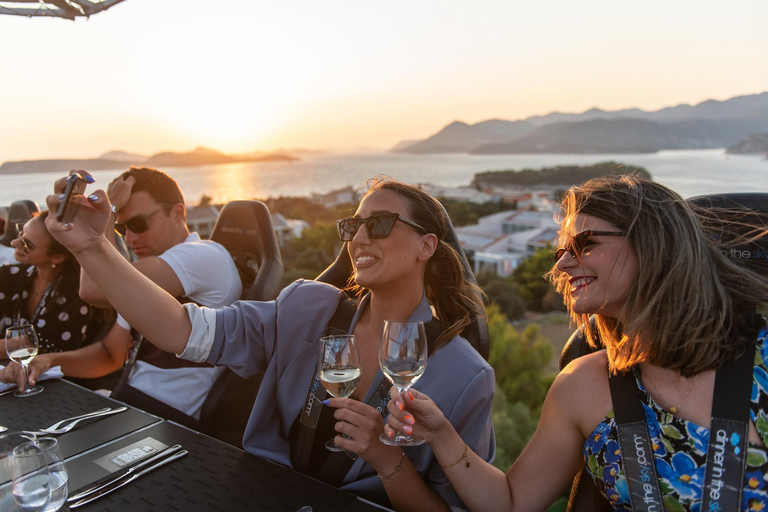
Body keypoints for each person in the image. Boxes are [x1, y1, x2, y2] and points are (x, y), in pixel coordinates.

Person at [43, 174, 495, 510]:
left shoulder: (465, 377)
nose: (358, 237)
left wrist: (385, 459)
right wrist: (92, 247)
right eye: (352, 226)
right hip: (262, 494)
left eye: (378, 224)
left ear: (426, 246)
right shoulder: (305, 309)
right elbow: (183, 329)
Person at [385, 176, 768, 511]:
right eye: (561, 251)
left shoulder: (761, 357)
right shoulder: (582, 385)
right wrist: (440, 435)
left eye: (584, 244)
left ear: (654, 244)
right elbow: (512, 502)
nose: (563, 264)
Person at [2, 167, 242, 421]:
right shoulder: (145, 280)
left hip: (168, 418)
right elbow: (109, 354)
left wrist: (106, 213)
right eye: (121, 227)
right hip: (130, 403)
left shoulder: (204, 255)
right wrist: (46, 361)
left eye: (139, 224)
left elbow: (93, 291)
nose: (130, 237)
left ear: (177, 213)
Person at [0, 210, 111, 356]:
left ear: (57, 257)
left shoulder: (76, 295)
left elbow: (44, 347)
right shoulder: (11, 275)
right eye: (20, 233)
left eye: (27, 245)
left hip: (52, 377)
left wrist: (17, 344)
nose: (14, 243)